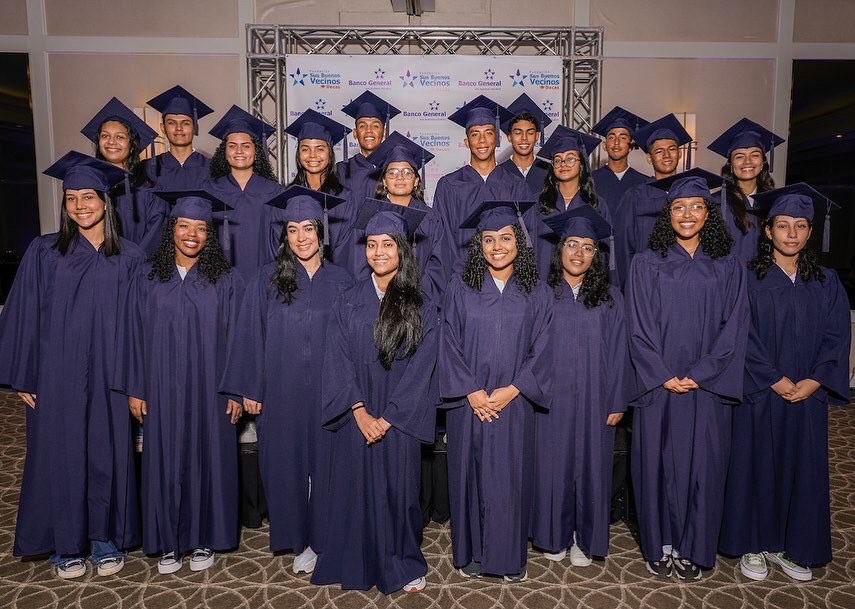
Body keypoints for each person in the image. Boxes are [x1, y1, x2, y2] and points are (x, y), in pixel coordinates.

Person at [0, 151, 143, 579]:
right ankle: (66, 542)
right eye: (72, 198)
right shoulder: (44, 251)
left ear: (106, 201)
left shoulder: (130, 257)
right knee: (59, 453)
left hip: (110, 373)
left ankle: (103, 536)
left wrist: (136, 379)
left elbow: (139, 325)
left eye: (89, 197)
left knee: (106, 452)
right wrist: (24, 373)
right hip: (56, 372)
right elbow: (22, 313)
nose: (81, 205)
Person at [719, 184, 850, 582]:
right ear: (767, 231)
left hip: (807, 395)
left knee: (802, 467)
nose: (791, 233)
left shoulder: (826, 282)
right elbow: (741, 335)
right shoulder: (748, 278)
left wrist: (815, 380)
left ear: (810, 233)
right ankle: (755, 544)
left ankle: (791, 545)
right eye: (782, 225)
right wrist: (773, 378)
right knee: (756, 464)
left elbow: (837, 336)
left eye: (800, 226)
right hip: (761, 392)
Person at [219, 186, 351, 574]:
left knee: (328, 465)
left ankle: (327, 537)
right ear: (284, 235)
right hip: (281, 390)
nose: (301, 237)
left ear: (321, 232)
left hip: (329, 391)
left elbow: (353, 340)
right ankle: (299, 540)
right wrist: (250, 388)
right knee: (285, 466)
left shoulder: (342, 281)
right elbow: (248, 335)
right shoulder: (264, 279)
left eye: (308, 228)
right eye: (292, 230)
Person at [625, 172, 748, 581]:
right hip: (658, 386)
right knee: (655, 463)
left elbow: (735, 327)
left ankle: (696, 545)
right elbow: (637, 327)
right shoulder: (645, 263)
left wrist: (700, 374)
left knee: (705, 467)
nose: (688, 214)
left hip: (707, 387)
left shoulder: (728, 267)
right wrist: (662, 375)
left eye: (697, 207)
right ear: (668, 214)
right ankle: (660, 542)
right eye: (678, 207)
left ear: (709, 215)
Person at [311, 206, 439, 594]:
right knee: (355, 489)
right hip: (358, 414)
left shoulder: (421, 304)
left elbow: (424, 368)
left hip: (400, 419)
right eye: (372, 244)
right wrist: (358, 410)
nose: (379, 252)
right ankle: (354, 560)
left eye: (388, 244)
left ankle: (401, 562)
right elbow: (337, 357)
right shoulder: (347, 299)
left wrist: (390, 417)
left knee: (399, 493)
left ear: (402, 249)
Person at [115, 189, 243, 575]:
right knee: (165, 456)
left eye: (201, 228)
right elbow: (132, 335)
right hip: (160, 385)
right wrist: (135, 387)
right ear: (172, 228)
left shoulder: (227, 279)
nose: (192, 234)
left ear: (210, 234)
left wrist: (236, 389)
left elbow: (239, 339)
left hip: (211, 388)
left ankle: (204, 537)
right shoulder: (148, 277)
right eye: (184, 226)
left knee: (210, 456)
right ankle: (168, 540)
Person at [439, 201, 553, 582]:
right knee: (468, 473)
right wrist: (470, 390)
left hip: (514, 403)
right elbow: (447, 341)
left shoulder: (537, 292)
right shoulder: (460, 287)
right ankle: (470, 553)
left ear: (519, 242)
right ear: (479, 245)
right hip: (468, 403)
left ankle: (507, 558)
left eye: (506, 238)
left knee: (510, 479)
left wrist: (514, 388)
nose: (497, 246)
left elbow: (545, 346)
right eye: (489, 240)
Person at [532, 204, 628, 567]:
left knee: (591, 466)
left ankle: (584, 539)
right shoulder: (542, 294)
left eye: (588, 247)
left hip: (595, 396)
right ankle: (554, 534)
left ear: (596, 255)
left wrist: (617, 399)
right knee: (552, 466)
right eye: (572, 244)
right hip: (551, 397)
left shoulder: (611, 297)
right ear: (560, 250)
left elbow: (620, 352)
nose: (579, 253)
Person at [342, 132, 444, 303]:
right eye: (392, 173)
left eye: (407, 172)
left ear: (416, 180)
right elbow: (358, 263)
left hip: (418, 301)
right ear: (384, 180)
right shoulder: (369, 213)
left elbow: (438, 265)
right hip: (377, 302)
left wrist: (416, 295)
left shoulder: (431, 218)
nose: (400, 178)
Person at [432, 96, 528, 279]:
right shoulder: (449, 186)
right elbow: (442, 243)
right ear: (467, 142)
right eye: (475, 134)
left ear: (497, 139)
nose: (482, 140)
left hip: (508, 281)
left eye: (488, 133)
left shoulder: (516, 186)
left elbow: (526, 238)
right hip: (462, 279)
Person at [206, 105, 284, 283]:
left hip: (264, 279)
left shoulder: (273, 191)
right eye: (232, 146)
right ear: (224, 152)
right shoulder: (210, 190)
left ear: (256, 152)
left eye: (246, 146)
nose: (239, 151)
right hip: (220, 280)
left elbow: (280, 240)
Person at [613, 114, 691, 289]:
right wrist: (630, 289)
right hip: (646, 284)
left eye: (671, 149)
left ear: (679, 154)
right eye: (658, 151)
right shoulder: (634, 197)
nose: (666, 155)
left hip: (687, 283)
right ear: (649, 158)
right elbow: (624, 251)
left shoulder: (692, 196)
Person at [80, 97, 166, 254]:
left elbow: (155, 235)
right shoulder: (87, 186)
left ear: (131, 145)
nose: (111, 142)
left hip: (137, 269)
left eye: (120, 137)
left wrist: (128, 264)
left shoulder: (148, 187)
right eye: (105, 136)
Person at [532, 125, 612, 281]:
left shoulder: (597, 205)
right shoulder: (538, 203)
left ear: (581, 164)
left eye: (570, 158)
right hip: (543, 286)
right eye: (557, 160)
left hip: (583, 288)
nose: (563, 164)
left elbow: (603, 252)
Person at [284, 109, 355, 267]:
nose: (312, 155)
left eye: (320, 148)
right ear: (298, 154)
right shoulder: (286, 197)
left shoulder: (345, 198)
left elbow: (347, 248)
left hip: (334, 278)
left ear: (330, 154)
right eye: (305, 149)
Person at [707, 118, 784, 264]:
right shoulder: (715, 202)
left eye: (754, 155)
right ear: (730, 165)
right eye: (739, 156)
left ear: (763, 163)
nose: (747, 162)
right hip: (728, 280)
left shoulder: (775, 202)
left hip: (764, 279)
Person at [145, 85, 214, 190]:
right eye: (172, 123)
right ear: (162, 128)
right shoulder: (149, 169)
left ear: (195, 127)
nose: (179, 128)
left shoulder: (212, 168)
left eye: (185, 123)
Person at [336, 91, 400, 202]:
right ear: (355, 133)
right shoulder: (342, 170)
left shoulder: (396, 168)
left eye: (375, 126)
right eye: (362, 126)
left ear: (384, 132)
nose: (369, 131)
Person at [494, 93, 553, 198]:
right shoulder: (497, 174)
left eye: (530, 132)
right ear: (509, 137)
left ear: (537, 136)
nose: (524, 138)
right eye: (518, 133)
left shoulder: (551, 172)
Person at [590, 106, 650, 206]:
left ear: (631, 146)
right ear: (605, 145)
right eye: (612, 137)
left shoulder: (644, 183)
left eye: (622, 137)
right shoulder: (590, 181)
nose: (616, 142)